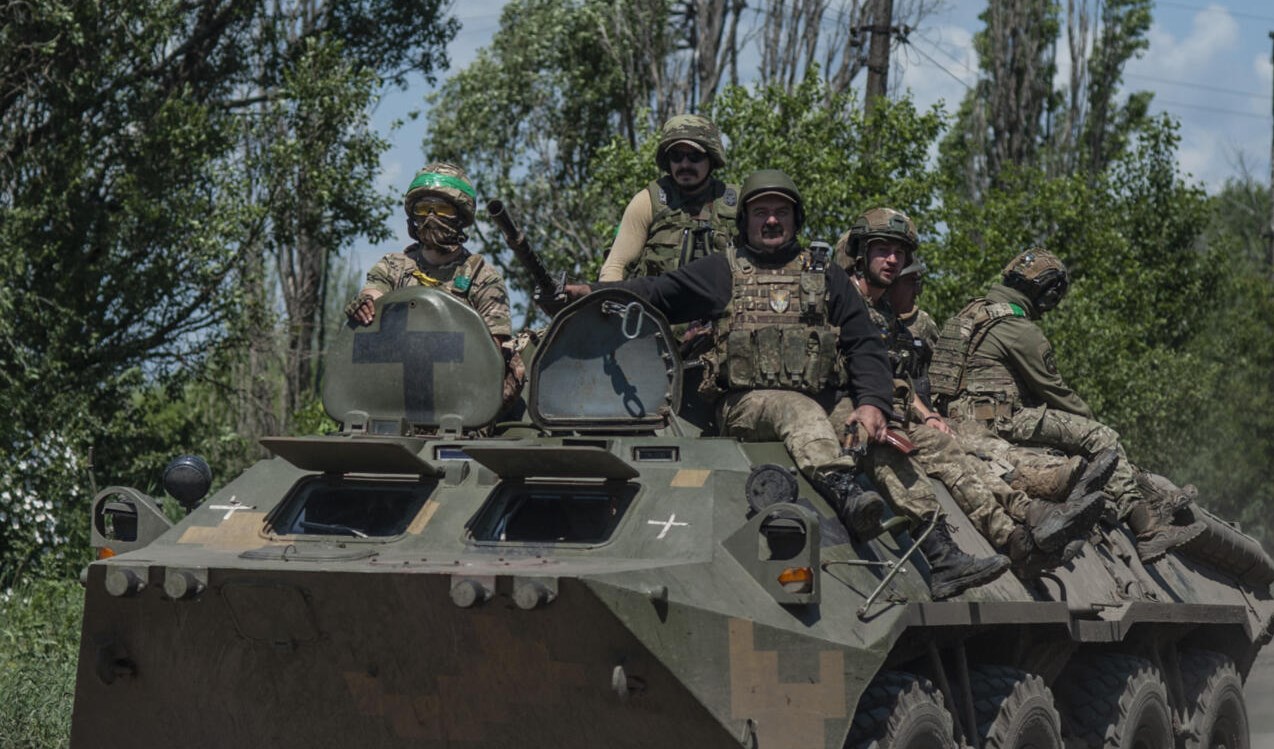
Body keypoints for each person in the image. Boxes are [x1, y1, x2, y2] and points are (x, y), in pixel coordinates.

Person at [566, 171, 1009, 599]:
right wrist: (593, 292)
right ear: (746, 221)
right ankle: (846, 495)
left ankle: (941, 553)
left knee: (880, 438)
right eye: (761, 212)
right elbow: (657, 292)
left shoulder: (826, 275)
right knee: (795, 409)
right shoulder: (722, 271)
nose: (772, 220)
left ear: (796, 219)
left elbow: (863, 343)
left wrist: (872, 404)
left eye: (781, 211)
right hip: (745, 405)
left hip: (823, 398)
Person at [834, 209, 1107, 575]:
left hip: (892, 410)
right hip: (849, 412)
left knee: (950, 445)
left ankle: (1018, 533)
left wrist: (927, 414)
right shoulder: (836, 298)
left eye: (900, 253)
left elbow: (892, 376)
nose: (893, 261)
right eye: (882, 250)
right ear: (859, 254)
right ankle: (976, 536)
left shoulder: (885, 313)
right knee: (937, 450)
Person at [930, 247, 1204, 563]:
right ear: (1045, 293)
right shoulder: (1018, 328)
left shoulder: (969, 313)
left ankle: (1141, 494)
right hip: (995, 420)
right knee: (1102, 438)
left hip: (956, 420)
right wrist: (1091, 425)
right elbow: (1058, 394)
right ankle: (1147, 526)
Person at [344, 163, 523, 405]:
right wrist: (365, 304)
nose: (430, 218)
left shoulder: (483, 278)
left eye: (442, 209)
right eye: (423, 209)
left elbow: (488, 359)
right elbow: (373, 298)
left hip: (459, 406)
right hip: (391, 401)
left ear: (460, 215)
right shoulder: (393, 267)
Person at [598, 115, 739, 281]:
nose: (685, 165)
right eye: (676, 156)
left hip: (725, 305)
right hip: (657, 305)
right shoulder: (649, 201)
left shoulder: (736, 202)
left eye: (695, 156)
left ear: (712, 158)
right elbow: (615, 267)